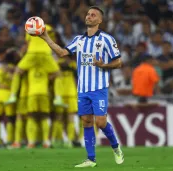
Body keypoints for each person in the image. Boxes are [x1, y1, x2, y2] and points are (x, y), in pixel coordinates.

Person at [39, 6, 124, 167]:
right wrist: (45, 37)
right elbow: (63, 53)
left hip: (99, 88)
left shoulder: (107, 39)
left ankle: (116, 147)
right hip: (82, 89)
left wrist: (103, 65)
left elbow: (118, 62)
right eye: (88, 14)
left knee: (100, 122)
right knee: (86, 121)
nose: (89, 16)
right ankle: (91, 159)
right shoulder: (79, 40)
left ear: (100, 20)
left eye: (93, 15)